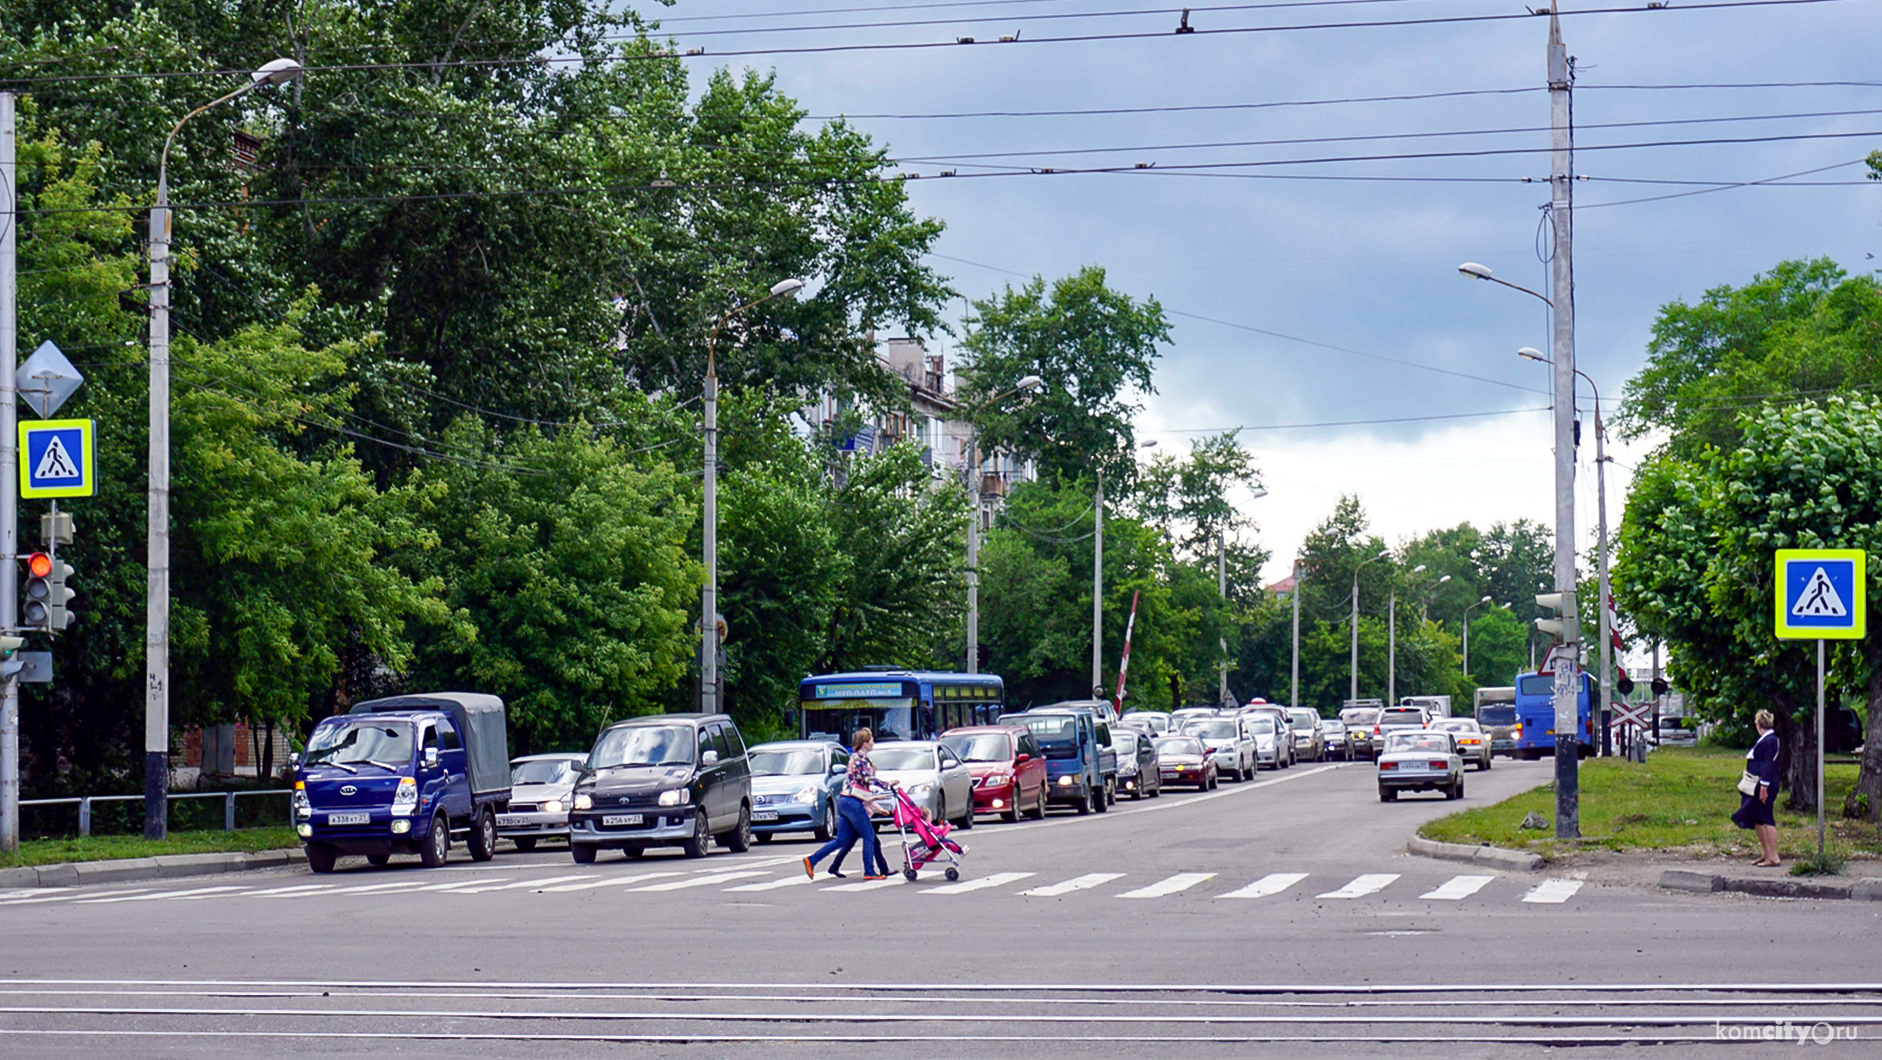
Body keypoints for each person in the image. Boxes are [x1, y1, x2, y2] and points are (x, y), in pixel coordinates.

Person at [804, 728, 889, 880]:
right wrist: (887, 784)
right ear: (864, 743)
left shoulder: (855, 758)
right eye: (871, 740)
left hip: (844, 801)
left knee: (841, 840)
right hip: (853, 802)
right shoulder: (860, 759)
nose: (873, 743)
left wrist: (876, 804)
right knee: (869, 836)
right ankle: (869, 871)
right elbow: (867, 779)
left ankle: (812, 860)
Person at [1731, 709, 1782, 867]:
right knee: (1757, 818)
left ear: (1759, 725)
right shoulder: (1766, 740)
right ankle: (1766, 853)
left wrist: (1764, 787)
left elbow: (1768, 764)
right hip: (1760, 784)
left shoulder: (1769, 741)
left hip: (1764, 784)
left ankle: (1774, 856)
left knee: (1766, 817)